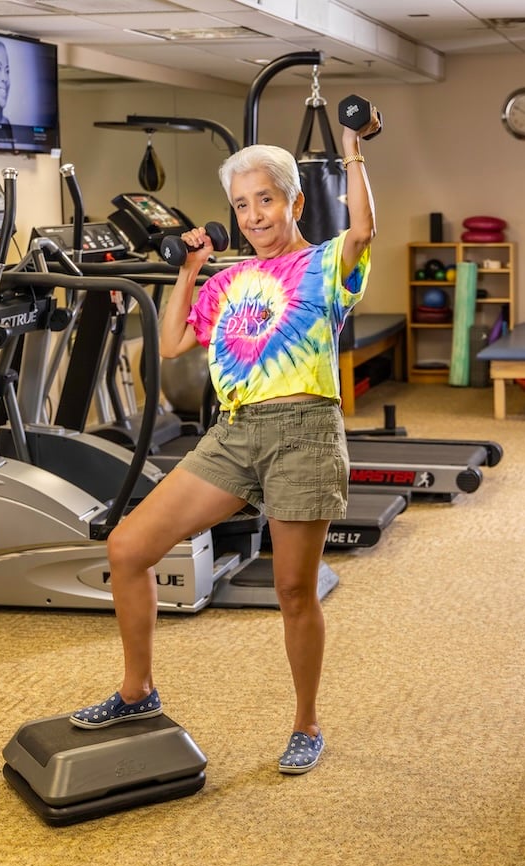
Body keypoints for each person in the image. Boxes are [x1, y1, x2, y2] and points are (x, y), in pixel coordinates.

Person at [70, 107, 379, 775]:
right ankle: (137, 692)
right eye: (241, 205)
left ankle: (305, 723)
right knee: (128, 547)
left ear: (293, 200)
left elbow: (362, 228)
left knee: (294, 591)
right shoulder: (230, 279)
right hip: (234, 435)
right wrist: (189, 270)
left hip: (303, 433)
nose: (253, 215)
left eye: (264, 199)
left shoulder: (326, 264)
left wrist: (352, 148)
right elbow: (176, 343)